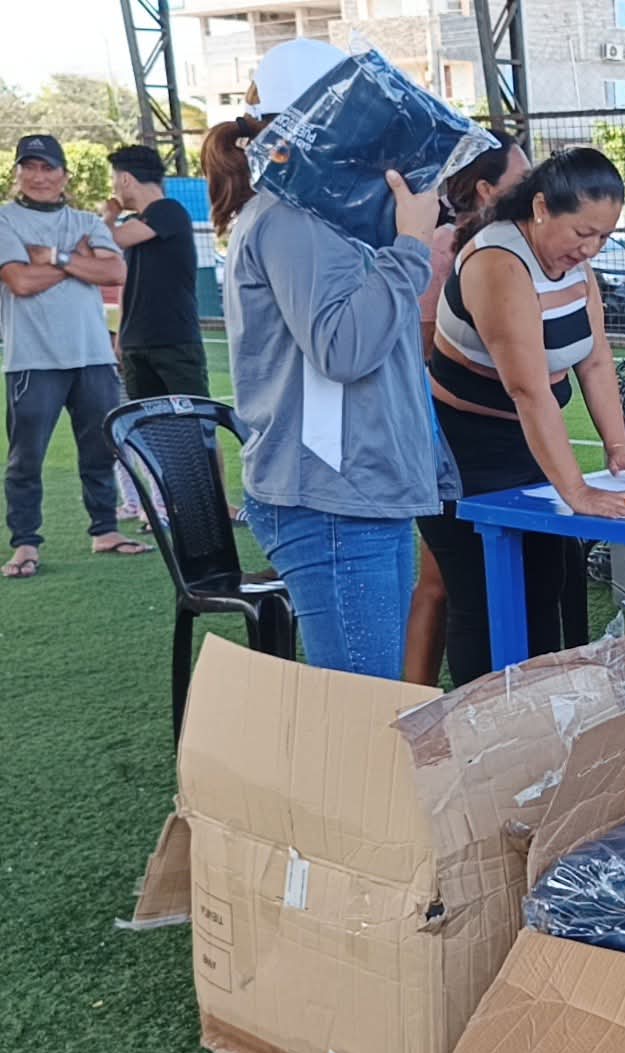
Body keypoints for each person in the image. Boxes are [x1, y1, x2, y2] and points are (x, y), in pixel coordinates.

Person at [209, 37, 457, 677]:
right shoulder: (294, 218)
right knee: (359, 705)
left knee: (369, 698)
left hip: (355, 493)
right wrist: (410, 246)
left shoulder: (320, 213)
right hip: (333, 498)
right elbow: (344, 349)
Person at [418, 147, 625, 687]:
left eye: (603, 237)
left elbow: (596, 358)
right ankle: (483, 714)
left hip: (525, 441)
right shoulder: (497, 262)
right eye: (583, 232)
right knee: (481, 593)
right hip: (458, 450)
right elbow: (527, 389)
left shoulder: (575, 262)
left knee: (549, 582)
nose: (590, 248)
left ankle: (549, 706)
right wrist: (576, 492)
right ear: (543, 207)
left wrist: (619, 449)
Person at [403, 131, 530, 687]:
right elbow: (423, 347)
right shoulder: (447, 247)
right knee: (447, 585)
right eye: (521, 180)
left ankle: (413, 700)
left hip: (464, 441)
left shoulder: (502, 245)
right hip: (445, 439)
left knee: (447, 583)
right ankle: (411, 704)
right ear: (484, 189)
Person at [1, 133, 149, 581]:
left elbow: (114, 270)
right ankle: (26, 543)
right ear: (17, 173)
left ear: (64, 175)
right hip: (32, 360)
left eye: (48, 168)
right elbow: (20, 282)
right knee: (26, 459)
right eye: (30, 167)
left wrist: (51, 257)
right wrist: (77, 263)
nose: (39, 176)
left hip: (92, 357)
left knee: (100, 450)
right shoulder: (5, 219)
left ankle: (105, 530)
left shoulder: (86, 219)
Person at [103, 145, 208, 403]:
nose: (114, 187)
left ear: (125, 179)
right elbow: (126, 282)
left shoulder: (168, 210)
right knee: (145, 422)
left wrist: (108, 216)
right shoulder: (133, 222)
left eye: (114, 179)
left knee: (193, 419)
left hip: (173, 340)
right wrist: (121, 336)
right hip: (136, 344)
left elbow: (110, 240)